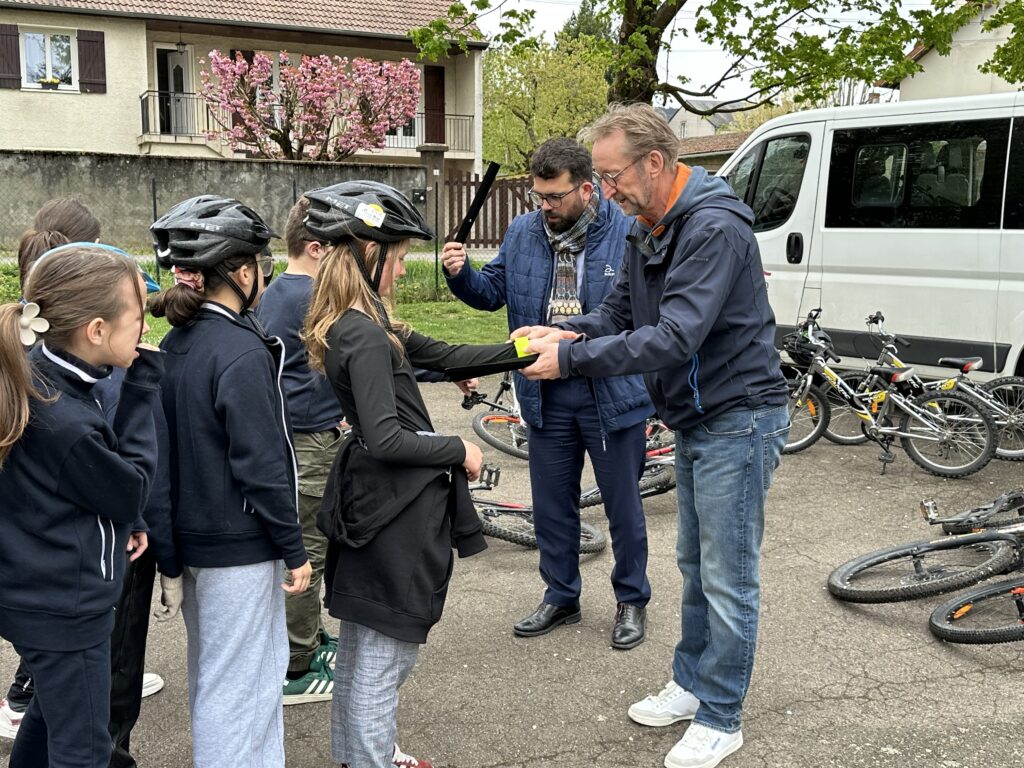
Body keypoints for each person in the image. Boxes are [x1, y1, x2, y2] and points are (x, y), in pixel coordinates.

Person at [516, 103, 790, 768]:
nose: (607, 191)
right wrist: (571, 330)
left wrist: (573, 360)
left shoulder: (714, 227)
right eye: (604, 180)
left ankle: (722, 715)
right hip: (700, 419)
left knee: (729, 577)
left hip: (740, 416)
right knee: (697, 566)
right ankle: (693, 684)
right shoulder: (652, 224)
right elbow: (620, 310)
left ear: (656, 163)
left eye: (612, 177)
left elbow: (673, 336)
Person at [302, 181, 519, 768]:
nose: (399, 272)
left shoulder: (360, 324)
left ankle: (357, 758)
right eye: (396, 258)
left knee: (360, 658)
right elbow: (385, 437)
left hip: (371, 504)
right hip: (391, 512)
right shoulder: (366, 335)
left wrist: (522, 348)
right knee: (381, 662)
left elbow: (446, 354)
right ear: (368, 254)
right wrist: (457, 449)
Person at [441, 137, 654, 649]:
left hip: (611, 392)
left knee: (623, 506)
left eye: (555, 197)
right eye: (539, 196)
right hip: (543, 393)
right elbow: (493, 292)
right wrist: (460, 274)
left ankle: (631, 599)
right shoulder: (521, 232)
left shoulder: (626, 231)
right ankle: (561, 595)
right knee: (552, 505)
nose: (545, 207)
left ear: (586, 188)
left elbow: (640, 316)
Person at [149, 195, 312, 768]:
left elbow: (161, 457)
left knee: (221, 675)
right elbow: (261, 463)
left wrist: (169, 555)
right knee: (239, 686)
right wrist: (293, 547)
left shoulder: (176, 343)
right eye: (260, 266)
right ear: (243, 272)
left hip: (194, 539)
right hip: (238, 547)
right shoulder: (243, 350)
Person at [2, 200, 168, 760]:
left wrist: (130, 517)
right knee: (84, 749)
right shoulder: (64, 419)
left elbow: (104, 488)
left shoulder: (41, 373)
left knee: (49, 722)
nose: (146, 325)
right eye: (138, 314)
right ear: (97, 330)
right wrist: (144, 389)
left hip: (38, 590)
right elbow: (130, 484)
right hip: (65, 605)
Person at [255, 196, 340, 704]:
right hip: (307, 441)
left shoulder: (273, 293)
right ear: (315, 248)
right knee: (308, 551)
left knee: (309, 545)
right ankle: (296, 664)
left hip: (296, 435)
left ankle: (307, 636)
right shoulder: (309, 297)